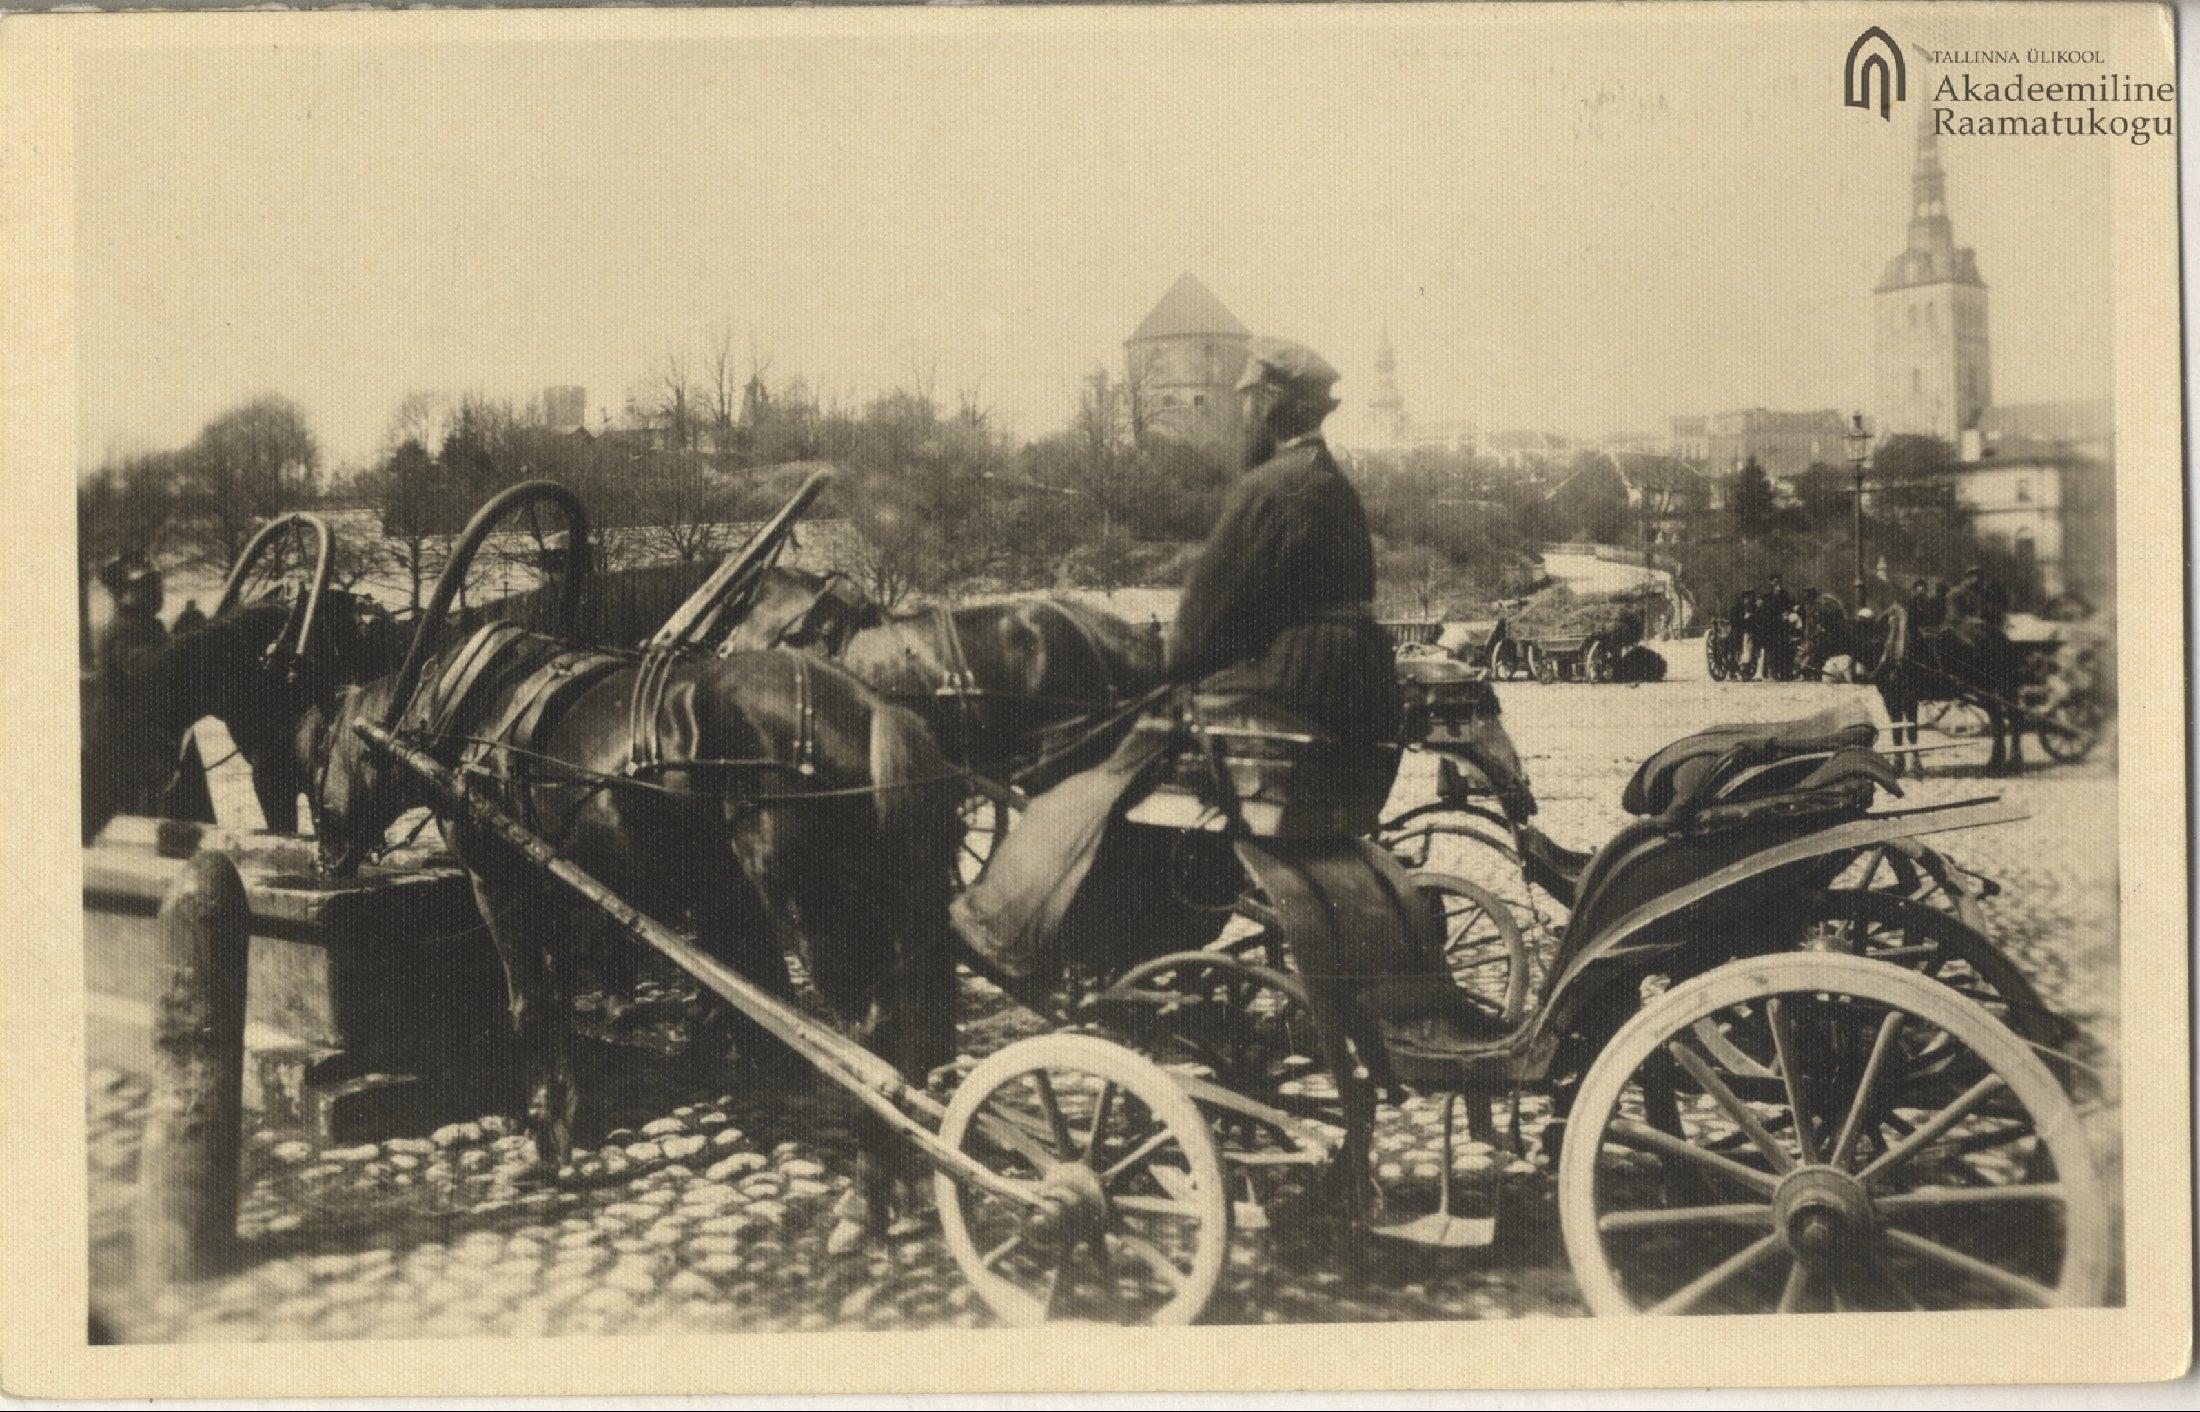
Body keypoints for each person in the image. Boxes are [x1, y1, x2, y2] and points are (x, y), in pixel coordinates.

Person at [953, 338, 1398, 983]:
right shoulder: (1333, 485)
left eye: (1246, 402)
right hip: (1351, 682)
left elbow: (1203, 619)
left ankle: (1023, 932)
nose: (1241, 414)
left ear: (1270, 405)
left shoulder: (1269, 486)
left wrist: (1174, 664)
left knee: (1113, 767)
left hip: (1291, 683)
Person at [1754, 572, 1797, 679]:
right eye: (1774, 580)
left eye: (1779, 580)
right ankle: (1771, 671)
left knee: (1783, 648)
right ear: (1771, 582)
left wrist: (1791, 610)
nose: (1777, 582)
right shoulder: (1766, 596)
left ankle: (1784, 671)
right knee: (1771, 649)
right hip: (1770, 626)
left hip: (1782, 626)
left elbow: (1788, 605)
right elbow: (1765, 610)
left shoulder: (1784, 594)